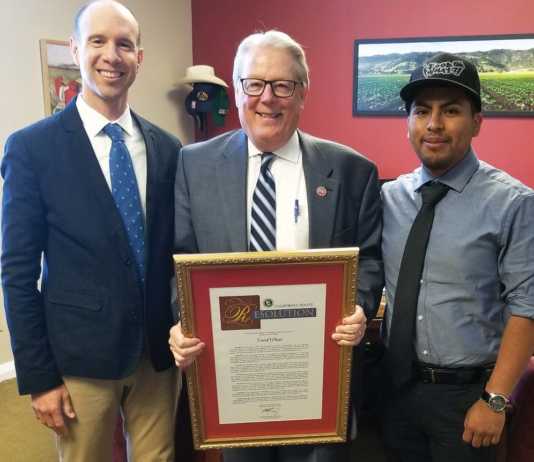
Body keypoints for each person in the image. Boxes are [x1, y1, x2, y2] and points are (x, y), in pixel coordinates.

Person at [168, 30, 383, 462]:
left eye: (283, 85)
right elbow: (181, 260)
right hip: (234, 379)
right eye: (254, 84)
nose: (267, 98)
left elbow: (370, 259)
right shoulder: (194, 164)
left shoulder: (352, 170)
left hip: (315, 379)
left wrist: (358, 308)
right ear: (237, 89)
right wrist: (182, 321)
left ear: (303, 93)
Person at [1, 1, 181, 461]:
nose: (111, 55)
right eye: (98, 41)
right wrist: (39, 377)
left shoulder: (167, 149)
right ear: (75, 49)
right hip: (79, 360)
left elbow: (178, 253)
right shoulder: (32, 149)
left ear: (139, 57)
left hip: (157, 357)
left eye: (125, 44)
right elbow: (17, 273)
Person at [381, 52, 534, 462]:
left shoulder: (513, 203)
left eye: (450, 111)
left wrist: (495, 400)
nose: (434, 124)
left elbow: (527, 308)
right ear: (408, 122)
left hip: (468, 400)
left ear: (477, 122)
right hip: (395, 392)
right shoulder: (389, 198)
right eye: (421, 111)